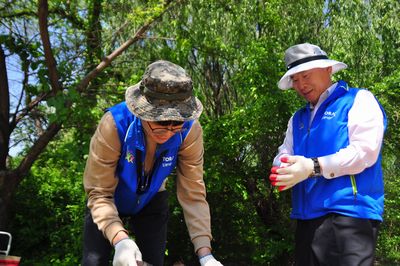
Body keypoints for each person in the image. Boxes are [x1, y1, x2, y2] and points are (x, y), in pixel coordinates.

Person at [82, 60, 223, 266]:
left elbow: (193, 192)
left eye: (177, 124)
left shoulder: (190, 131)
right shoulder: (114, 124)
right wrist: (121, 241)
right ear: (142, 112)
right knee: (94, 262)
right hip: (107, 200)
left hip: (152, 199)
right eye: (161, 123)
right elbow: (99, 192)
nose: (169, 132)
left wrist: (205, 255)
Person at [269, 43, 387, 266]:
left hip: (350, 214)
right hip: (306, 217)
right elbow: (284, 153)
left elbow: (365, 152)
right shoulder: (297, 118)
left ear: (328, 70)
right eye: (294, 79)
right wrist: (284, 166)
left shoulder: (358, 99)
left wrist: (312, 166)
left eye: (305, 75)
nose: (301, 85)